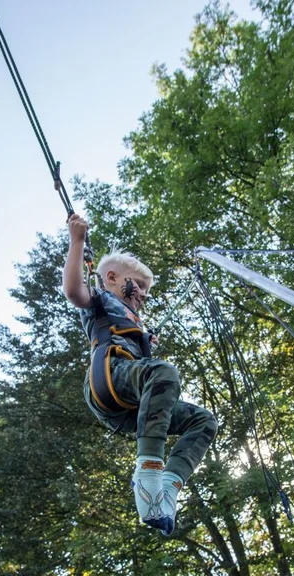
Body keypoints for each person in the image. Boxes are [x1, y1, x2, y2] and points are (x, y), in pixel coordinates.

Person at [63, 213, 218, 536]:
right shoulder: (100, 300)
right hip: (108, 378)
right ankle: (148, 471)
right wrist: (77, 241)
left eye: (147, 289)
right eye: (141, 285)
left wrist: (142, 341)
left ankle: (168, 487)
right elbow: (73, 291)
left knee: (203, 421)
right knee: (164, 373)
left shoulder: (134, 321)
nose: (144, 294)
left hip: (131, 409)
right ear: (112, 277)